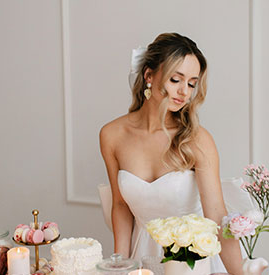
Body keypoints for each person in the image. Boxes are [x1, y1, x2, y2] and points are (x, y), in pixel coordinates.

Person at [99, 32, 243, 274]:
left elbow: (217, 217)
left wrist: (239, 274)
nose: (184, 92)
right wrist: (120, 267)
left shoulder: (196, 139)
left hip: (192, 261)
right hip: (142, 257)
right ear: (149, 75)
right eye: (176, 79)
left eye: (191, 83)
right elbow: (121, 206)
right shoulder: (112, 135)